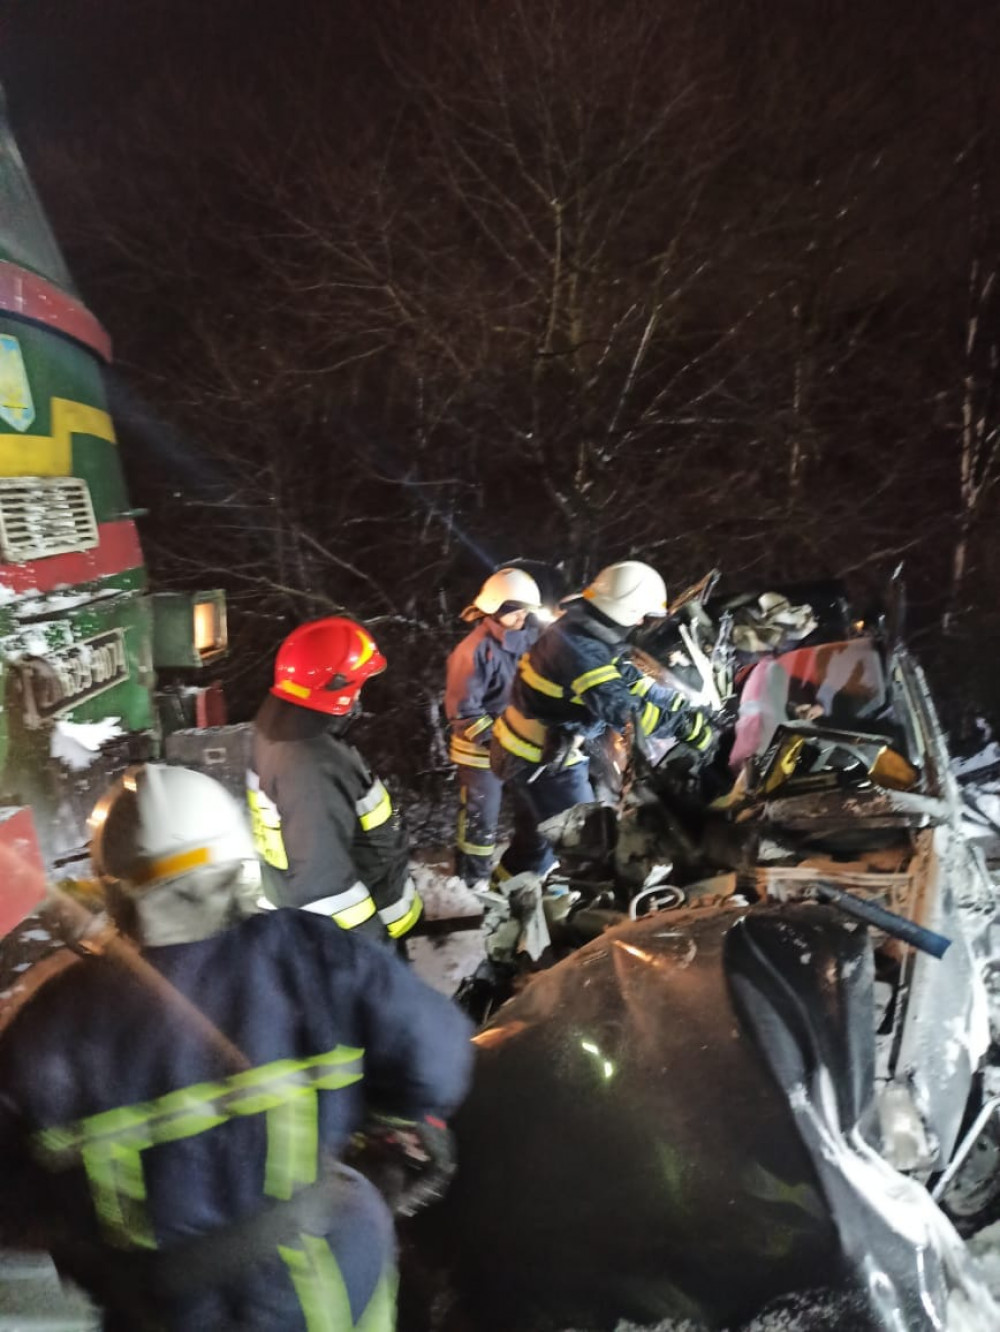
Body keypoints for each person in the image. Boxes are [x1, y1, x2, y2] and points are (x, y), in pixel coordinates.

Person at [0, 764, 473, 1332]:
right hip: (326, 1289)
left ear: (115, 891)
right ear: (234, 866)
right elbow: (437, 1059)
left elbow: (14, 1201)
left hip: (159, 1313)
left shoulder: (49, 1022)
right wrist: (381, 1120)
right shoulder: (310, 958)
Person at [490, 560, 716, 881]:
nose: (641, 621)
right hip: (542, 762)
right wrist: (685, 726)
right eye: (640, 613)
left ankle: (500, 899)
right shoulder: (581, 649)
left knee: (533, 845)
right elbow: (623, 711)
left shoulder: (585, 630)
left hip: (528, 751)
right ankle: (582, 911)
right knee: (590, 846)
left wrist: (678, 703)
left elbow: (626, 678)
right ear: (624, 610)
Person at [248, 617, 422, 944]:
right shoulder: (309, 766)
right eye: (358, 683)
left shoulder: (278, 727)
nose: (360, 694)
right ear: (337, 686)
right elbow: (324, 888)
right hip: (358, 943)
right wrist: (372, 954)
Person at [445, 567, 543, 886]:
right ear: (494, 609)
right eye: (515, 611)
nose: (522, 617)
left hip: (521, 744)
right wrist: (496, 742)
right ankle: (471, 882)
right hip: (480, 753)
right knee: (481, 821)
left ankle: (514, 877)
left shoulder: (532, 641)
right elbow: (463, 711)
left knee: (535, 815)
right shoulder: (473, 651)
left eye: (526, 611)